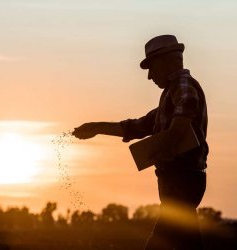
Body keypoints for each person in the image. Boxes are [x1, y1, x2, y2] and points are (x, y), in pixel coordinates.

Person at [72, 35, 208, 250]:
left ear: (167, 61)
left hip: (183, 179)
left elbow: (185, 112)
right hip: (177, 180)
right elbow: (137, 127)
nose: (149, 76)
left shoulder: (182, 86)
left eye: (151, 68)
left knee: (161, 241)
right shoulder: (168, 98)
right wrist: (97, 127)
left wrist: (167, 148)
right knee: (187, 241)